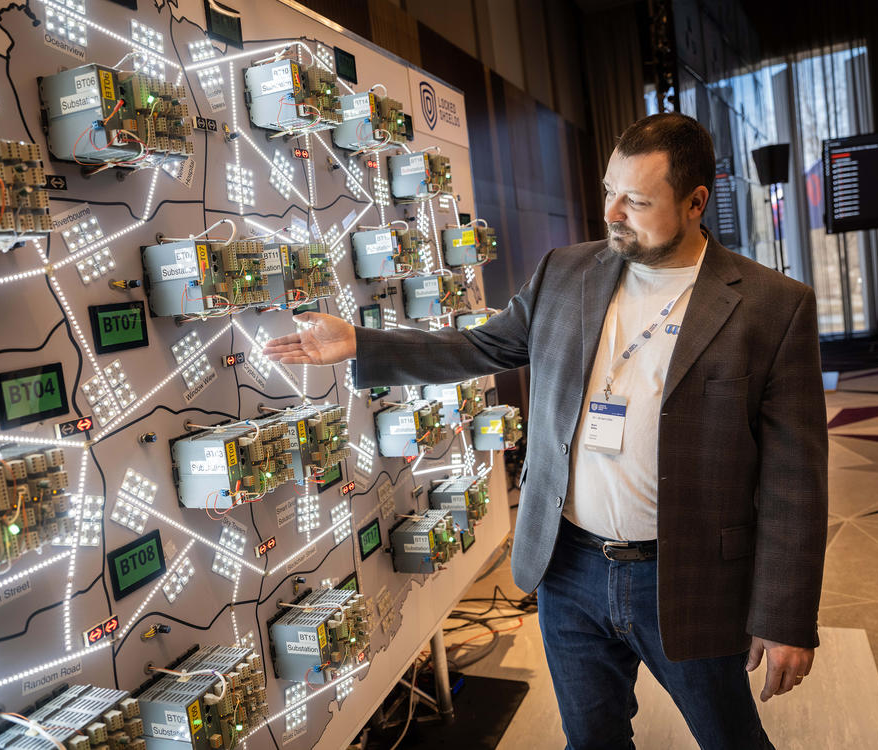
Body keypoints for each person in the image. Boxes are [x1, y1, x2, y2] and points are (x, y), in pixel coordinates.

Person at [264, 113, 828, 750]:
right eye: (609, 189)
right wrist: (361, 343)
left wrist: (785, 617)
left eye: (637, 201)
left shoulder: (771, 305)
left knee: (731, 740)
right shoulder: (567, 271)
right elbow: (481, 348)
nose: (612, 212)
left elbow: (795, 483)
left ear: (696, 202)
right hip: (570, 569)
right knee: (590, 740)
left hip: (689, 575)